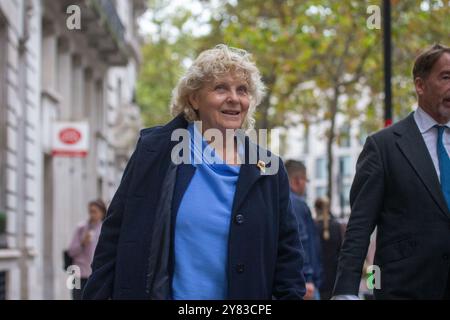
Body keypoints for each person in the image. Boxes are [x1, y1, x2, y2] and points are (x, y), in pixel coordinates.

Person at [82, 44, 306, 300]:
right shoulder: (155, 152)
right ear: (194, 98)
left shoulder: (269, 169)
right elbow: (114, 238)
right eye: (220, 87)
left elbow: (289, 261)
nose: (234, 98)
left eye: (242, 90)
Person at [333, 44, 450, 299]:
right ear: (420, 85)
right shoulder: (383, 146)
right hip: (405, 289)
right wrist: (344, 291)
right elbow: (360, 226)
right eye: (446, 77)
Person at [285, 160, 323, 299]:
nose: (306, 186)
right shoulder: (296, 204)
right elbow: (300, 242)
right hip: (305, 285)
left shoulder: (281, 200)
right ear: (298, 181)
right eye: (306, 181)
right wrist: (307, 278)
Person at [67, 199, 106, 300]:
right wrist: (82, 243)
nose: (92, 215)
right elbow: (71, 251)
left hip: (95, 274)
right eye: (90, 211)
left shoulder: (105, 229)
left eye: (95, 212)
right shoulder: (81, 227)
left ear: (102, 213)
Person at [313, 197, 343, 300]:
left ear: (316, 209)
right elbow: (341, 251)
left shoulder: (313, 227)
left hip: (319, 278)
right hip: (335, 277)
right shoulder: (336, 226)